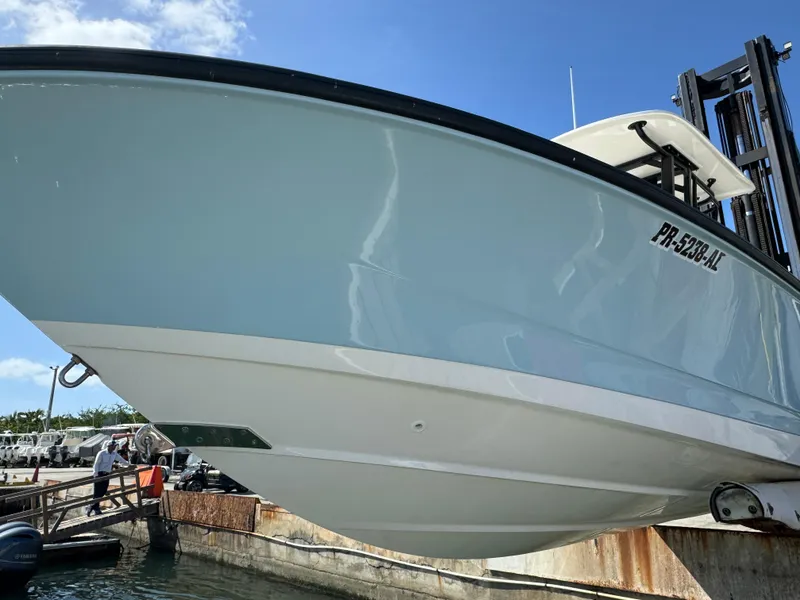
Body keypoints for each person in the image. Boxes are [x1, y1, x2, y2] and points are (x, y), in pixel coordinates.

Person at [87, 440, 130, 516]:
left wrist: (129, 465)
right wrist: (95, 474)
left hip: (107, 474)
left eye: (115, 446)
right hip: (99, 474)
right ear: (109, 446)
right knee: (97, 492)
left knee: (103, 491)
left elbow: (121, 460)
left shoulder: (114, 454)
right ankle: (95, 508)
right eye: (113, 446)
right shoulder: (102, 453)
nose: (114, 447)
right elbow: (96, 464)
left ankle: (92, 506)